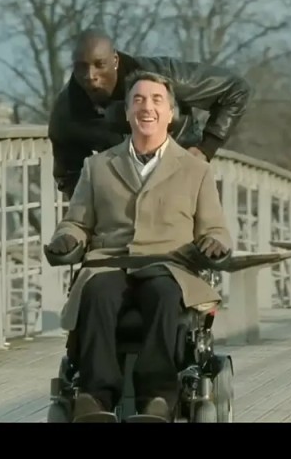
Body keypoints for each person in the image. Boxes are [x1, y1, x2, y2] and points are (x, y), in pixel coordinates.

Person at [44, 70, 233, 422]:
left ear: (171, 113)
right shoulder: (98, 166)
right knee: (97, 292)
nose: (147, 107)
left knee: (163, 294)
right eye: (139, 100)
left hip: (170, 264)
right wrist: (67, 236)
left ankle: (157, 397)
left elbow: (215, 229)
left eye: (157, 100)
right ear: (128, 112)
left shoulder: (195, 170)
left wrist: (214, 243)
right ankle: (94, 397)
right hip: (110, 261)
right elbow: (77, 222)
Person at [48, 28, 252, 199]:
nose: (90, 76)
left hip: (181, 177)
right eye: (81, 67)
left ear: (115, 60)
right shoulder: (67, 112)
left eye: (100, 65)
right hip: (124, 196)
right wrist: (95, 209)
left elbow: (235, 89)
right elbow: (69, 175)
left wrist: (206, 148)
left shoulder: (163, 77)